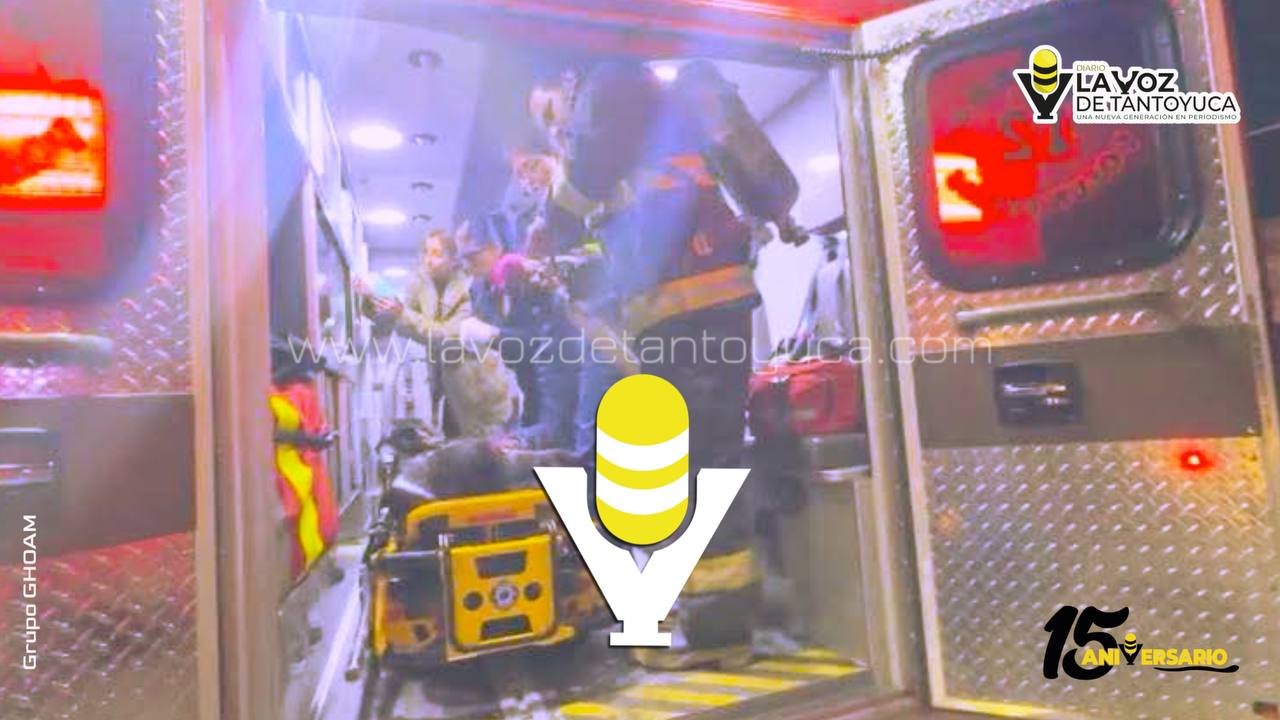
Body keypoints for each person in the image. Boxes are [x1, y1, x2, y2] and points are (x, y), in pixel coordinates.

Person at [551, 61, 767, 670]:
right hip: (724, 304)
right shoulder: (673, 107)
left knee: (686, 467)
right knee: (717, 457)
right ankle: (724, 629)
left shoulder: (608, 88)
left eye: (557, 113)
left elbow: (578, 190)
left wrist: (553, 230)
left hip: (677, 315)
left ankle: (689, 624)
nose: (562, 125)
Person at [360, 228, 518, 439]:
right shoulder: (421, 284)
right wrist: (373, 301)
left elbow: (450, 337)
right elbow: (400, 325)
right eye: (426, 252)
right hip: (447, 388)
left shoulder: (471, 287)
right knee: (454, 447)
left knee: (485, 450)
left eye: (436, 253)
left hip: (480, 390)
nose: (428, 260)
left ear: (453, 259)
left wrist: (402, 313)